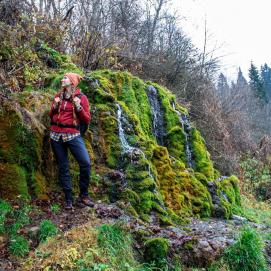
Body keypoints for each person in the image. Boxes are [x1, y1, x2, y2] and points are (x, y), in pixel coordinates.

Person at [49, 72, 94, 210]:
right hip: (56, 136)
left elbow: (86, 119)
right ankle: (68, 198)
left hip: (73, 135)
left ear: (72, 82)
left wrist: (79, 107)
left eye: (65, 78)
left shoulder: (82, 98)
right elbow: (51, 115)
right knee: (63, 167)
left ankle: (84, 195)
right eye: (62, 77)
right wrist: (55, 106)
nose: (62, 79)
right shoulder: (58, 96)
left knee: (85, 163)